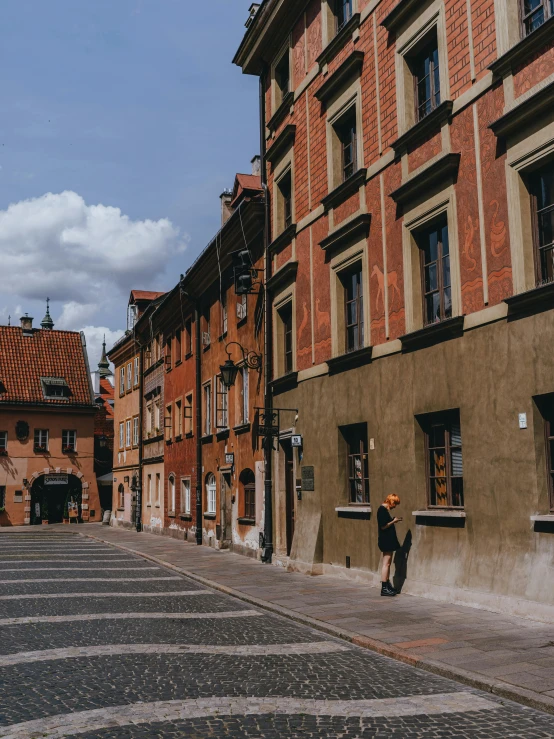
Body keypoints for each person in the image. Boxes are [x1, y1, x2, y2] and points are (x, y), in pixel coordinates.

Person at [377, 494, 402, 596]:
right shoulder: (382, 510)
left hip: (388, 540)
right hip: (385, 541)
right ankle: (384, 588)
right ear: (391, 502)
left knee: (388, 563)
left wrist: (393, 520)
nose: (395, 506)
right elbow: (383, 526)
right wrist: (394, 521)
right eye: (395, 504)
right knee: (386, 564)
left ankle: (387, 585)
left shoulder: (384, 510)